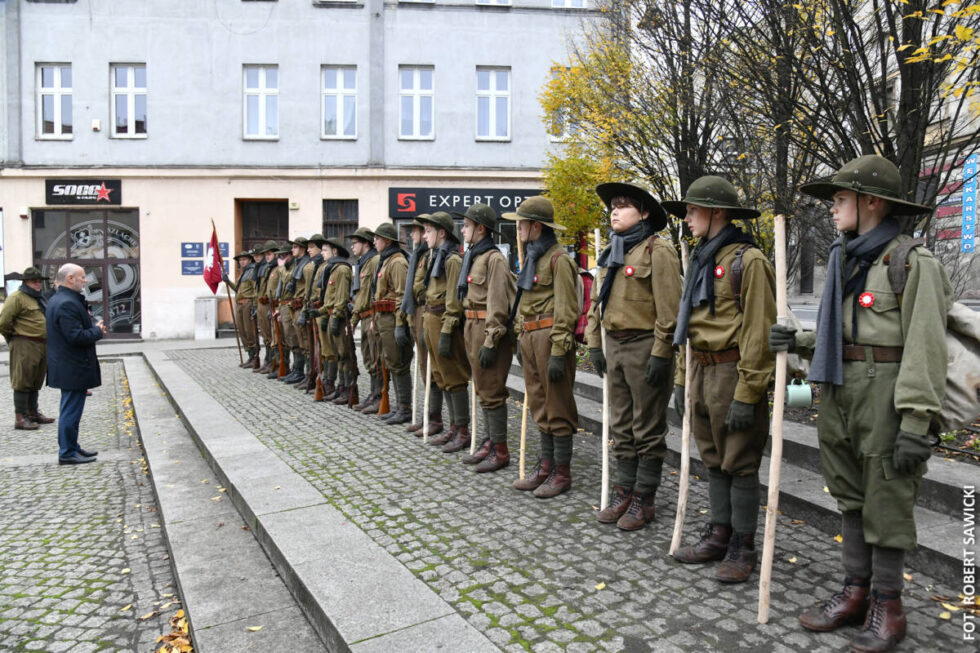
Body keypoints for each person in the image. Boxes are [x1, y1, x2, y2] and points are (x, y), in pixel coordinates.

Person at [769, 155, 950, 652]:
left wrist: (916, 421)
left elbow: (925, 346)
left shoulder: (913, 262)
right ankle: (855, 592)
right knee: (850, 494)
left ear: (872, 202)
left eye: (840, 199)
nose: (832, 208)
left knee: (887, 499)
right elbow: (844, 334)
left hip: (887, 394)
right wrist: (799, 341)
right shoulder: (846, 257)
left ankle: (888, 609)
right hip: (841, 389)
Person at [666, 175, 776, 583]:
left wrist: (748, 394)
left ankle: (742, 547)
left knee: (740, 461)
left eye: (693, 211)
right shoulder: (698, 259)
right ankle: (719, 532)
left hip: (733, 370)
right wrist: (681, 379)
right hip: (701, 369)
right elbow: (687, 325)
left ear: (718, 213)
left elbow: (758, 332)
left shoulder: (748, 261)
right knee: (712, 458)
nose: (687, 219)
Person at [588, 182, 682, 530]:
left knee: (647, 427)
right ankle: (624, 490)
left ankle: (644, 498)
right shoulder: (611, 251)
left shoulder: (658, 252)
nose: (614, 211)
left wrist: (661, 353)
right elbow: (599, 303)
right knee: (621, 425)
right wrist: (595, 344)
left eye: (623, 206)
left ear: (643, 213)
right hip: (615, 347)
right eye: (613, 205)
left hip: (645, 347)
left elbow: (669, 310)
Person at [503, 196, 579, 498]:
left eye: (522, 223)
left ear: (536, 226)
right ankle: (545, 466)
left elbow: (567, 308)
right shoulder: (532, 257)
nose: (518, 228)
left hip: (550, 337)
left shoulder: (560, 260)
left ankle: (561, 472)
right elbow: (526, 303)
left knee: (558, 404)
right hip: (531, 338)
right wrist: (521, 336)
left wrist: (560, 350)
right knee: (538, 401)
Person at [455, 203, 516, 472]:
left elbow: (498, 303)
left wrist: (491, 339)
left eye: (467, 225)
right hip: (472, 326)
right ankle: (490, 442)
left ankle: (500, 450)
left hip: (486, 328)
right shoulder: (474, 256)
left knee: (491, 389)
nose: (462, 229)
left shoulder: (494, 259)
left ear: (481, 228)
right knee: (481, 387)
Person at [417, 212, 473, 453]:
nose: (424, 235)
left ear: (441, 233)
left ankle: (462, 430)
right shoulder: (434, 257)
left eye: (428, 231)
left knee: (454, 377)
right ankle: (453, 427)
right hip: (431, 319)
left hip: (443, 321)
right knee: (440, 376)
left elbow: (453, 301)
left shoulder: (451, 260)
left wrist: (448, 332)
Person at [45, 263, 106, 465]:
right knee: (70, 411)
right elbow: (76, 337)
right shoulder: (66, 303)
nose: (85, 280)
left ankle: (71, 446)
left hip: (69, 365)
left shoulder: (61, 300)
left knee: (70, 410)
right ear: (70, 278)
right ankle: (67, 452)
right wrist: (97, 331)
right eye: (82, 277)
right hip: (71, 367)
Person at [402, 215, 444, 437]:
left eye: (419, 231)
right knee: (424, 367)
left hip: (429, 312)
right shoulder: (419, 255)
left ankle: (435, 418)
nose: (414, 235)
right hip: (418, 312)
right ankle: (428, 415)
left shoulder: (432, 256)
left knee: (432, 369)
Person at [366, 223, 412, 424]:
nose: (374, 241)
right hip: (383, 318)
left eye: (377, 238)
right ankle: (399, 406)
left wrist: (401, 325)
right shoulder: (385, 261)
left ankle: (405, 408)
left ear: (388, 241)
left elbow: (402, 296)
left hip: (393, 319)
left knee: (399, 363)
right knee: (390, 362)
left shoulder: (397, 262)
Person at [0, 267, 55, 430]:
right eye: (34, 281)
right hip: (24, 342)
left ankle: (33, 412)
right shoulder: (16, 298)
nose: (38, 284)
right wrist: (15, 339)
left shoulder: (38, 298)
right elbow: (3, 323)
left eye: (39, 281)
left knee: (35, 379)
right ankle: (20, 417)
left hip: (41, 343)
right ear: (26, 282)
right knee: (22, 380)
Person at [348, 228, 381, 412]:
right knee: (368, 358)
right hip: (364, 315)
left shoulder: (374, 261)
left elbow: (375, 292)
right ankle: (374, 394)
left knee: (376, 358)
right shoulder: (363, 262)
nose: (352, 246)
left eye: (356, 242)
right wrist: (354, 318)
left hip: (372, 315)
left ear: (366, 243)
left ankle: (379, 396)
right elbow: (360, 295)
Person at [320, 238, 355, 405]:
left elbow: (341, 296)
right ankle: (341, 387)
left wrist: (335, 316)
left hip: (340, 318)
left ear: (335, 251)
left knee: (344, 354)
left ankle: (349, 390)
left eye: (325, 250)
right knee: (339, 354)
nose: (322, 253)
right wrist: (321, 313)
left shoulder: (341, 269)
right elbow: (329, 298)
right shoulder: (333, 269)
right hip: (333, 315)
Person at [280, 237, 309, 384]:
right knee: (293, 338)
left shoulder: (306, 265)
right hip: (293, 305)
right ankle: (297, 370)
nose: (292, 250)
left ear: (303, 248)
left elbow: (309, 289)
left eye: (295, 247)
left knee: (303, 341)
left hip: (301, 305)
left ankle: (303, 373)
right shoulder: (298, 263)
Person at [224, 249, 260, 368]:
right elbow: (237, 289)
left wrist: (255, 305)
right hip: (240, 304)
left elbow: (255, 290)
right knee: (243, 331)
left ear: (249, 260)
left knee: (250, 331)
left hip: (248, 304)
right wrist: (228, 281)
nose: (242, 262)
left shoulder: (253, 271)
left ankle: (255, 357)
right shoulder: (242, 274)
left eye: (244, 259)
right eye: (240, 260)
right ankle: (250, 356)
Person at [253, 241, 279, 374]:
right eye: (266, 254)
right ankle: (268, 360)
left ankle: (274, 362)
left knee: (273, 335)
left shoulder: (277, 268)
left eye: (269, 254)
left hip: (272, 304)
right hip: (262, 303)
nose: (267, 257)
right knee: (265, 334)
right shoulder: (267, 268)